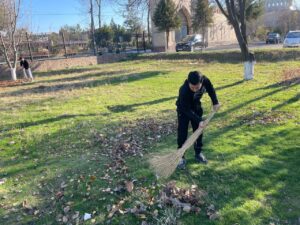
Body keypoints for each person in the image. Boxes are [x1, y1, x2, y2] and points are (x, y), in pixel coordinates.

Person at [176, 71, 220, 169]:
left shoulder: (205, 80)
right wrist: (199, 120)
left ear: (201, 82)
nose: (195, 90)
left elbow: (211, 89)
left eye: (197, 87)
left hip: (196, 107)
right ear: (188, 82)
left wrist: (215, 102)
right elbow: (186, 109)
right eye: (193, 88)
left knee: (199, 131)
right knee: (182, 132)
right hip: (184, 110)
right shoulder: (183, 90)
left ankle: (198, 153)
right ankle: (181, 157)